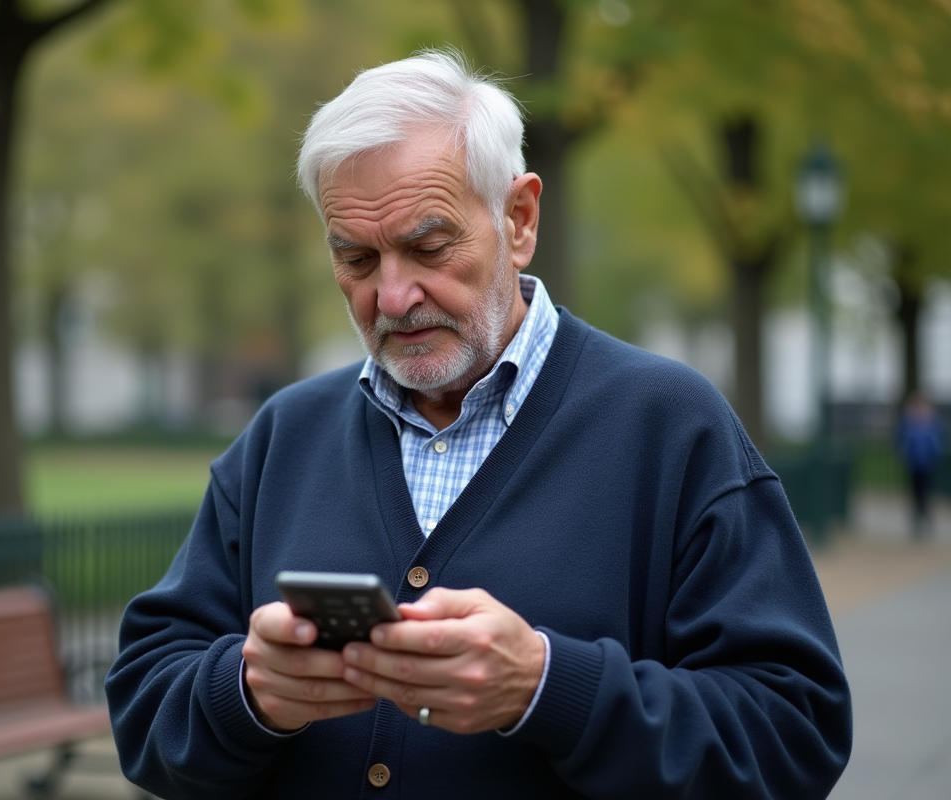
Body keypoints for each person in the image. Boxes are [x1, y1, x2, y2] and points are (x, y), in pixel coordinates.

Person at [106, 49, 852, 800]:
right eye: (357, 259)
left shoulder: (671, 427)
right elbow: (143, 704)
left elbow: (794, 732)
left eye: (428, 247)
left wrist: (550, 688)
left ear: (519, 218)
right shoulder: (282, 437)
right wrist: (245, 693)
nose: (392, 297)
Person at [897, 391, 948, 537]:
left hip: (928, 463)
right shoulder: (908, 421)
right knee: (915, 491)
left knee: (926, 492)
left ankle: (925, 518)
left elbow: (940, 440)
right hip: (913, 463)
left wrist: (936, 454)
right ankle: (917, 519)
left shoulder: (933, 421)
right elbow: (901, 440)